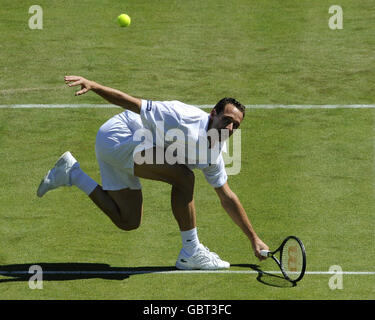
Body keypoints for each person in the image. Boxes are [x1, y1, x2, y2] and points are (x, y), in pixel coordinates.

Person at [37, 75, 269, 270]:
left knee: (128, 221)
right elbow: (133, 103)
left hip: (127, 148)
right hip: (119, 136)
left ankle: (72, 173)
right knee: (184, 177)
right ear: (213, 113)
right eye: (226, 120)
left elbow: (226, 196)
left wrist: (254, 238)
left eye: (235, 126)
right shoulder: (181, 116)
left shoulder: (216, 152)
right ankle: (190, 251)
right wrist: (95, 85)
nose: (229, 128)